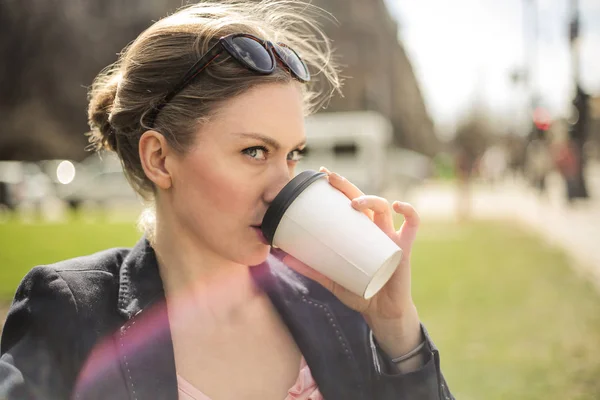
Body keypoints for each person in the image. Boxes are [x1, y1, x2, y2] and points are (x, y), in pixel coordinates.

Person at [0, 2, 454, 399]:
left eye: (293, 154)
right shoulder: (70, 310)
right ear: (159, 158)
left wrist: (397, 330)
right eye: (254, 152)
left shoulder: (335, 302)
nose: (284, 187)